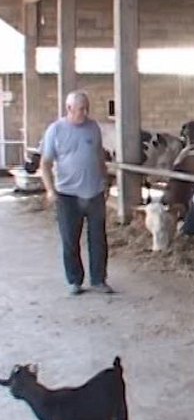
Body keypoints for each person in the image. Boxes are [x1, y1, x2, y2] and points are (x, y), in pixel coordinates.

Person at [41, 90, 114, 296]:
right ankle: (74, 280)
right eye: (81, 109)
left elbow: (99, 156)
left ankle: (99, 279)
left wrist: (106, 181)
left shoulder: (93, 128)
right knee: (70, 238)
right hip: (67, 194)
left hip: (94, 192)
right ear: (69, 109)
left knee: (98, 238)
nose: (85, 112)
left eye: (87, 108)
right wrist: (50, 190)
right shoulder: (55, 130)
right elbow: (45, 163)